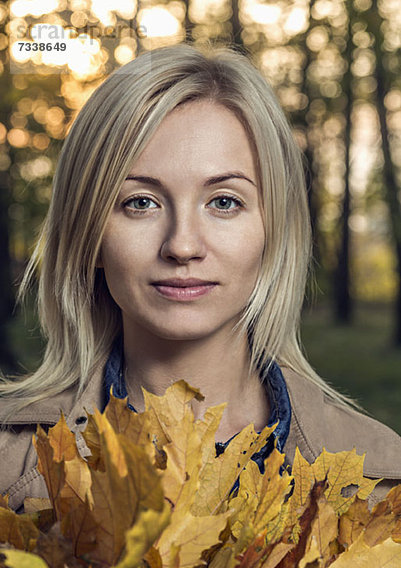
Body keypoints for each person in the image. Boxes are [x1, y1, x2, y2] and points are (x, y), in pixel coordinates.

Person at [1, 42, 400, 514]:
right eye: (140, 202)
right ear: (89, 233)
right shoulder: (10, 463)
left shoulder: (381, 481)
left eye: (225, 202)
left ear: (274, 230)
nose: (183, 245)